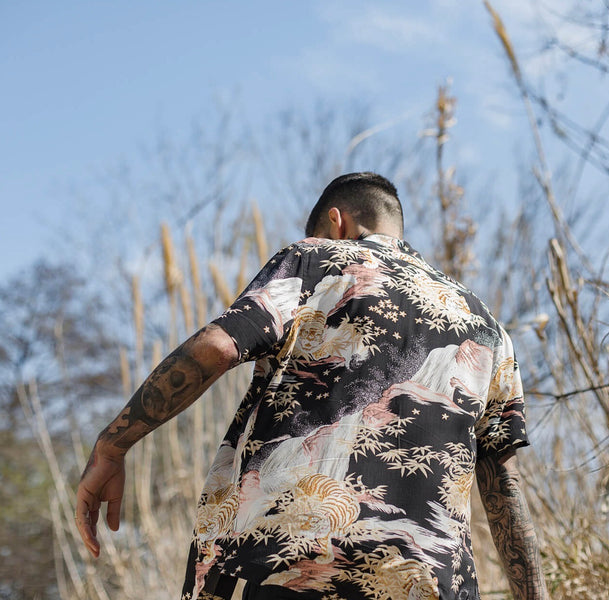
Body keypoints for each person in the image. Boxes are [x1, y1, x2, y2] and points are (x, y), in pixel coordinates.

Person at [76, 172, 549, 600]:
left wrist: (112, 447)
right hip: (429, 581)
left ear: (336, 221)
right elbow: (503, 484)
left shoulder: (316, 259)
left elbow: (219, 347)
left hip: (292, 562)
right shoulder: (486, 325)